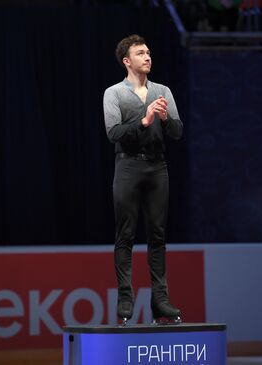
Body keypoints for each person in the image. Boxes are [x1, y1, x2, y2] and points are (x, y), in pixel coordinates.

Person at [103, 35, 183, 324]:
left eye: (148, 52)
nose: (147, 57)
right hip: (127, 167)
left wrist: (164, 119)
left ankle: (160, 300)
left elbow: (177, 132)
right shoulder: (114, 93)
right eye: (140, 53)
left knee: (158, 236)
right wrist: (144, 121)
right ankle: (125, 297)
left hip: (157, 168)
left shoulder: (162, 91)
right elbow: (113, 133)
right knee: (125, 235)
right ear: (127, 61)